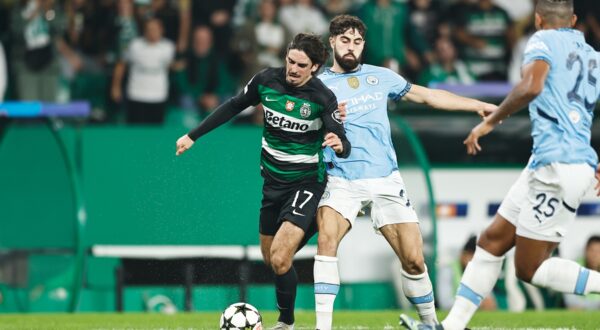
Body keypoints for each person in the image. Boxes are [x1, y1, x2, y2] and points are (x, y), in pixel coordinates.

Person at [400, 1, 600, 329]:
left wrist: (491, 120)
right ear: (574, 20)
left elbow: (532, 85)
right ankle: (450, 327)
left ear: (537, 19)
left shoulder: (541, 40)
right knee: (491, 241)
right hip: (549, 163)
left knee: (529, 269)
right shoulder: (593, 56)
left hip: (558, 168)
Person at [313, 15, 498, 330]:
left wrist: (476, 104)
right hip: (341, 178)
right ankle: (323, 327)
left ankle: (430, 324)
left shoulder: (381, 77)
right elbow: (297, 125)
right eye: (345, 40)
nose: (351, 47)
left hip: (386, 178)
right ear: (332, 42)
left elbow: (428, 96)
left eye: (357, 41)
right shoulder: (317, 85)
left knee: (414, 259)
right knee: (327, 240)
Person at [175, 33, 350, 330]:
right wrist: (193, 135)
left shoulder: (323, 98)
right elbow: (233, 105)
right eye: (290, 60)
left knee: (281, 258)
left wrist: (338, 143)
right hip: (272, 185)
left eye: (300, 64)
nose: (292, 69)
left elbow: (343, 141)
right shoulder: (266, 81)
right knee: (272, 259)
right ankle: (308, 226)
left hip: (306, 182)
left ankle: (286, 323)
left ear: (316, 67)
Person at [564, 235, 600, 309]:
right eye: (592, 250)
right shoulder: (575, 269)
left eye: (598, 251)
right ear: (585, 251)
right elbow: (570, 300)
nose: (595, 255)